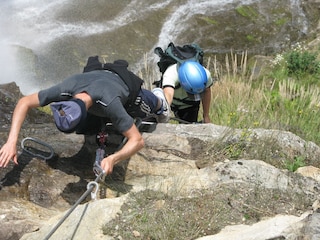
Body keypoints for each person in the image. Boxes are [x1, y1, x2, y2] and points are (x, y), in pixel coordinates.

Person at [0, 59, 170, 175]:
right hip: (96, 80)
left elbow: (137, 141)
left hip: (123, 86)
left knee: (157, 106)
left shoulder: (109, 102)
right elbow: (24, 102)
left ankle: (162, 95)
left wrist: (113, 158)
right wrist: (11, 142)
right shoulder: (66, 89)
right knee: (89, 129)